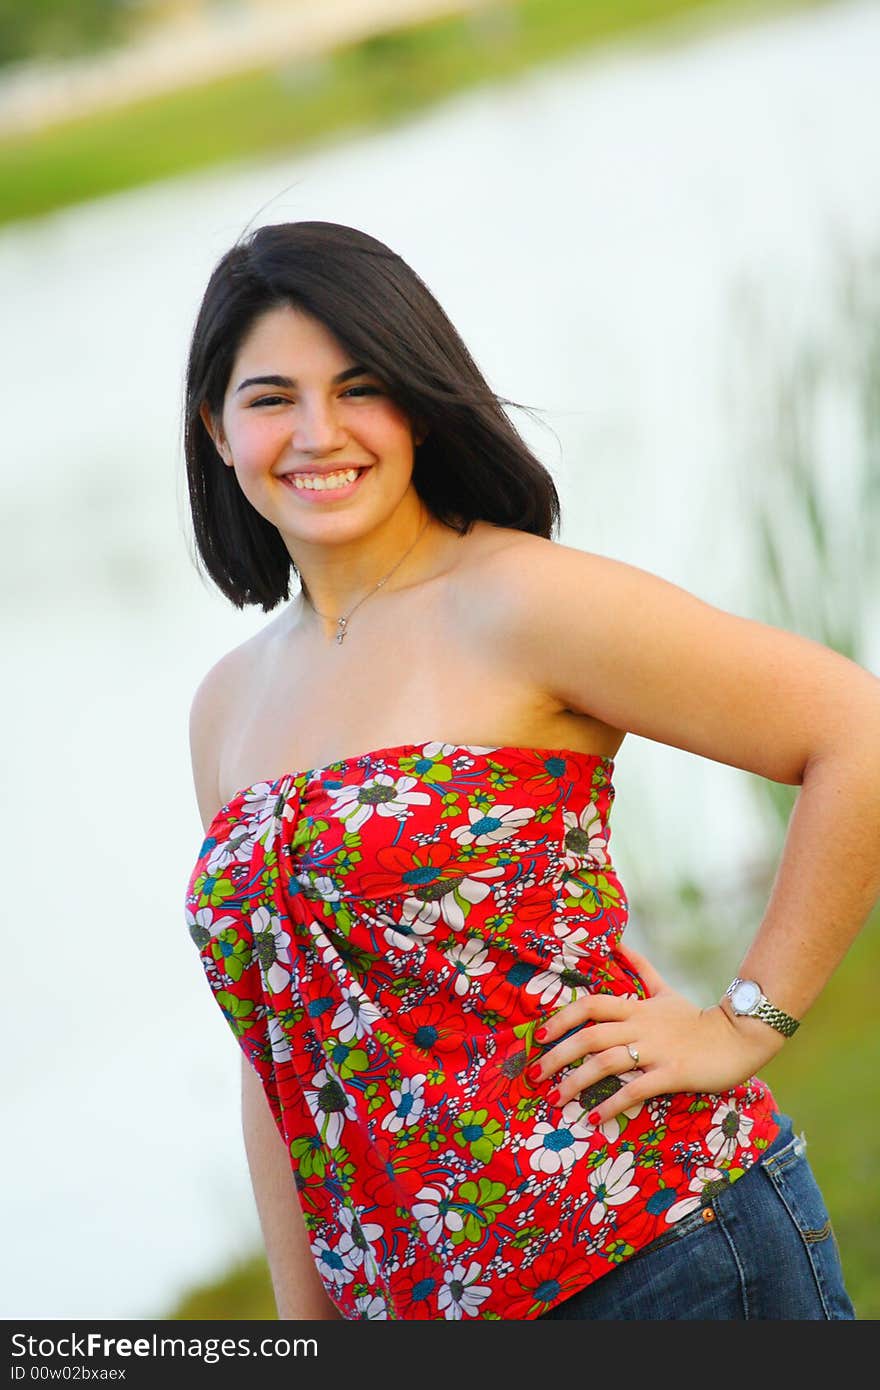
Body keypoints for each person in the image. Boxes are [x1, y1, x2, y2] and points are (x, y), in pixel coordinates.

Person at [183, 220, 873, 1321]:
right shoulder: (227, 702)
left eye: (359, 386)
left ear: (416, 401)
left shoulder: (518, 598)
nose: (318, 432)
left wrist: (745, 1022)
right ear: (217, 429)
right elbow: (279, 1044)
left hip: (661, 1253)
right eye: (271, 398)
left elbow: (855, 731)